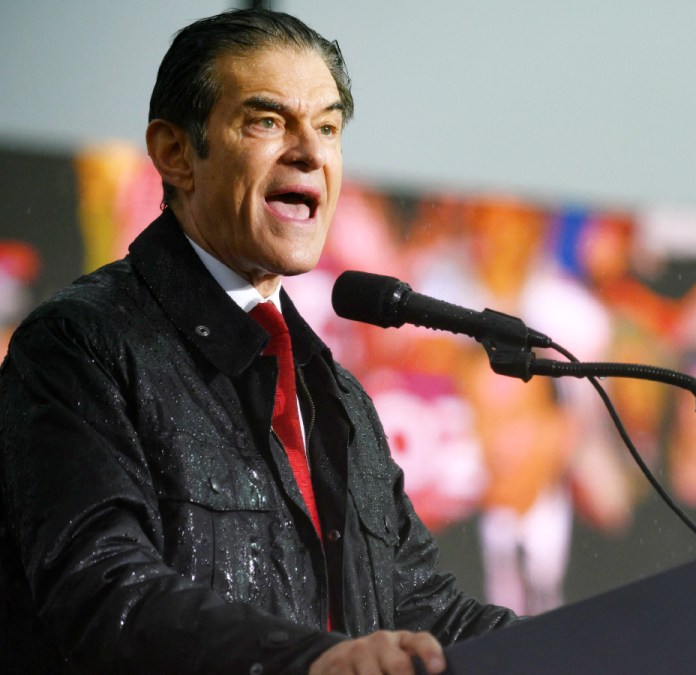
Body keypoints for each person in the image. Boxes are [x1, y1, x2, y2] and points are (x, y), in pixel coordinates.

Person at [0, 9, 517, 674]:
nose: (309, 150)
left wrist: (599, 642)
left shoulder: (339, 397)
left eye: (327, 127)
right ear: (175, 152)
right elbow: (106, 591)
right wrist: (312, 660)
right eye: (267, 121)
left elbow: (428, 614)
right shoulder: (82, 347)